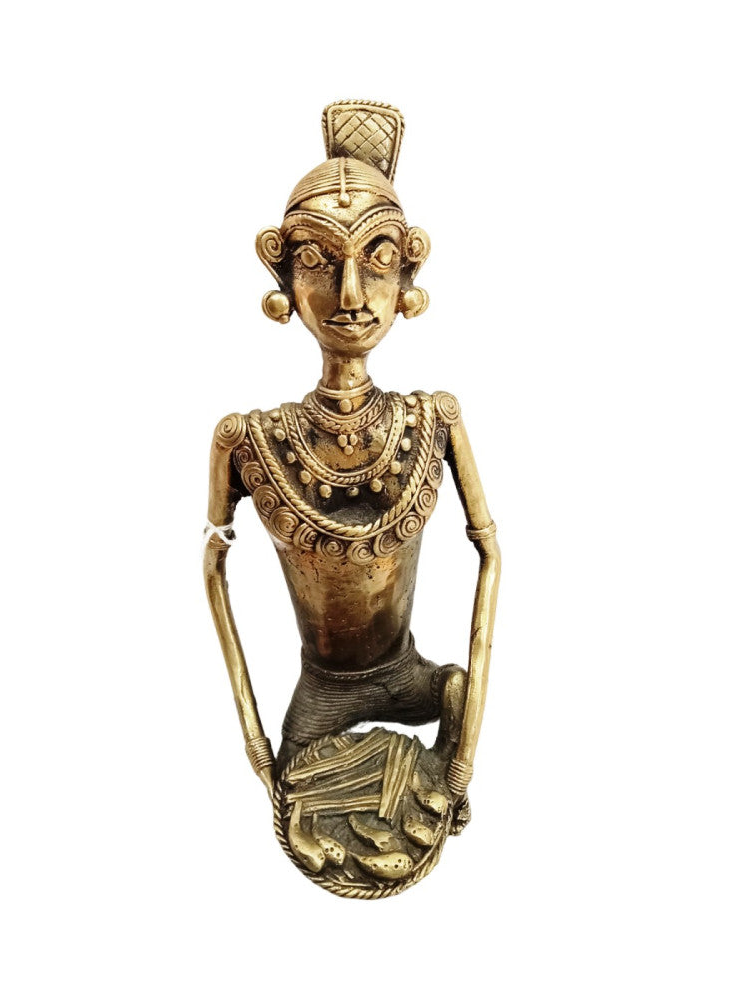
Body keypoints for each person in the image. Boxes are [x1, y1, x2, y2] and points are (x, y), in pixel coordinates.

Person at [203, 102, 500, 815]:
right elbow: (213, 572)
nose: (350, 295)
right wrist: (255, 741)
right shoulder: (249, 440)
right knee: (300, 805)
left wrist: (462, 755)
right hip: (320, 694)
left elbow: (491, 555)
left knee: (454, 693)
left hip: (408, 678)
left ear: (408, 274)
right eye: (316, 260)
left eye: (379, 260)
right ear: (282, 275)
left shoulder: (433, 421)